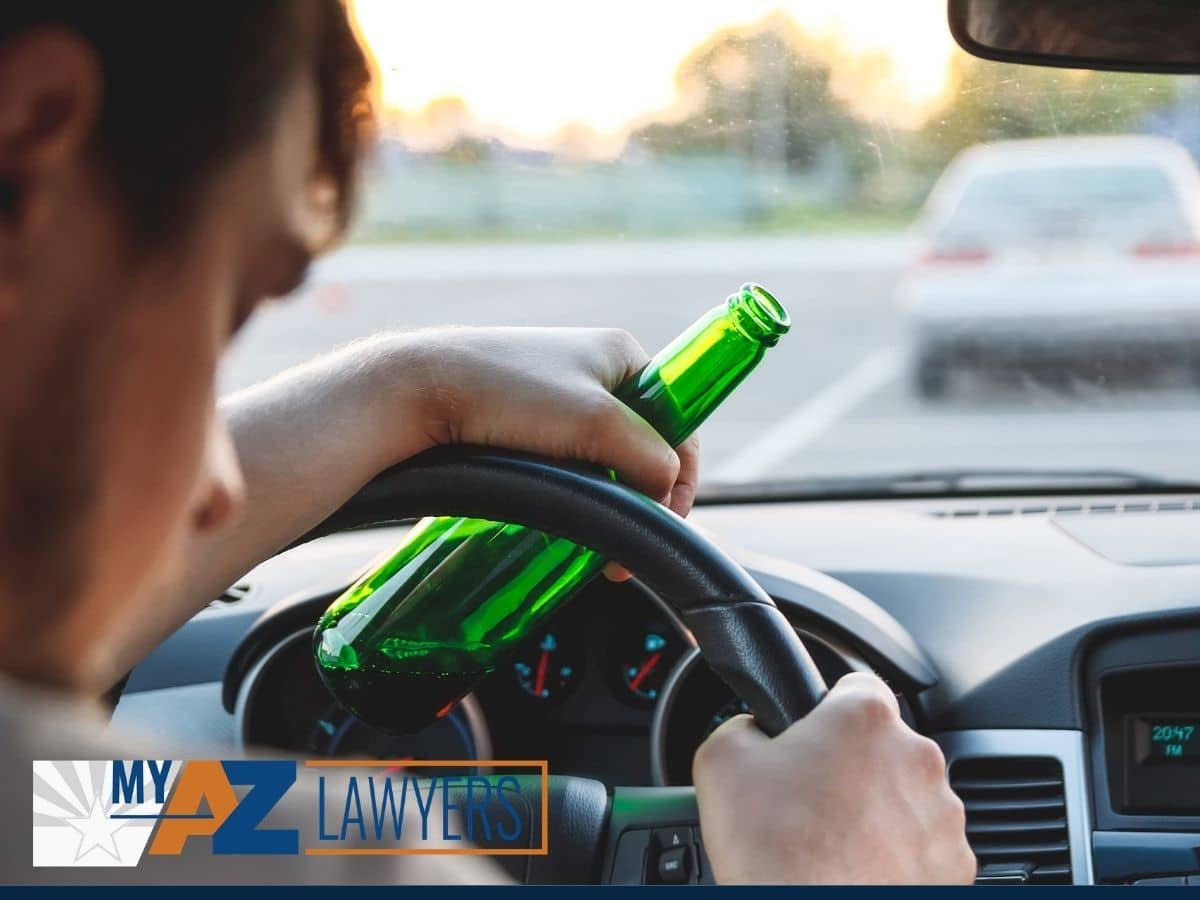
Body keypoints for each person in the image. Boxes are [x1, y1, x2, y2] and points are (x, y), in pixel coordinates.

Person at [0, 0, 974, 885]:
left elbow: (101, 815)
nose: (213, 493)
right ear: (27, 134)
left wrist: (411, 392)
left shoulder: (84, 821)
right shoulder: (338, 866)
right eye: (221, 317)